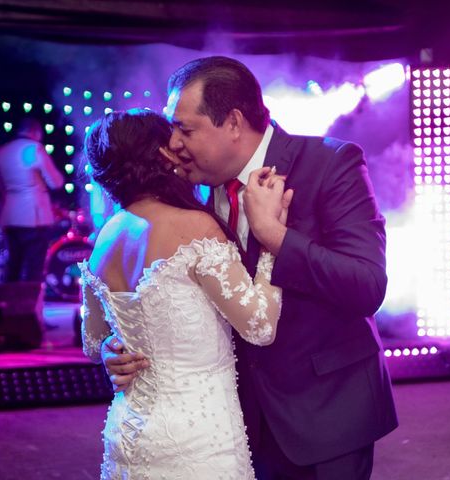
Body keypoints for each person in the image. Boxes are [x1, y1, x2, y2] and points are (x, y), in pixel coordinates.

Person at [103, 56, 398, 479]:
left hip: (328, 411)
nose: (174, 144)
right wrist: (122, 344)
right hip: (235, 422)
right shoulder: (190, 192)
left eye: (185, 129)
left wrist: (273, 235)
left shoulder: (330, 163)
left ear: (234, 122)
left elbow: (367, 286)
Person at [79, 108, 292, 478]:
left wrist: (111, 348)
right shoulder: (194, 227)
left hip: (129, 431)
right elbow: (259, 326)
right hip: (197, 437)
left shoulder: (107, 237)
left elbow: (92, 341)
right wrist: (271, 240)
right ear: (161, 154)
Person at [0, 117, 64, 282]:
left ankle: (10, 306)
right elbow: (56, 182)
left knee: (13, 266)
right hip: (33, 217)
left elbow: (0, 187)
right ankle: (30, 307)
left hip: (10, 216)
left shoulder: (2, 151)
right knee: (34, 268)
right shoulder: (35, 149)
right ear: (36, 132)